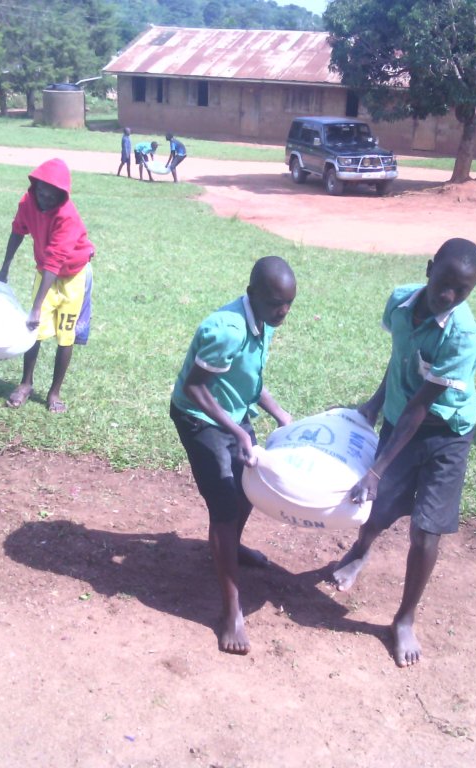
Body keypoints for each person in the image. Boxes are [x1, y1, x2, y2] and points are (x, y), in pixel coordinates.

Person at [331, 238, 476, 668]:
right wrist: (375, 403)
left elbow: (423, 405)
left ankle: (404, 618)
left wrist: (377, 469)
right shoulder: (400, 303)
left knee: (426, 530)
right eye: (444, 283)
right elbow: (400, 358)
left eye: (463, 290)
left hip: (446, 433)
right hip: (401, 420)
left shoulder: (463, 336)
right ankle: (360, 551)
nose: (449, 296)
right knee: (376, 510)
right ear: (429, 267)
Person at [170, 256, 296, 655]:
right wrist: (238, 431)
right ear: (252, 293)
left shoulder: (265, 321)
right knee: (224, 506)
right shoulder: (225, 331)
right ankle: (230, 613)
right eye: (277, 302)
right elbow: (195, 389)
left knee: (248, 489)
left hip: (232, 414)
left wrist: (280, 415)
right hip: (199, 417)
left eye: (289, 303)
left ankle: (229, 548)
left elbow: (249, 381)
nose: (284, 312)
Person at [0, 159, 95, 413]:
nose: (46, 200)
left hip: (72, 275)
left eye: (53, 197)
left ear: (62, 195)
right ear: (35, 187)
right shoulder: (27, 203)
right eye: (42, 193)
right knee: (34, 331)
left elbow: (55, 259)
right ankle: (26, 383)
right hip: (46, 272)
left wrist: (37, 305)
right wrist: (5, 268)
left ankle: (54, 392)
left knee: (65, 335)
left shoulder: (67, 216)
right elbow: (18, 230)